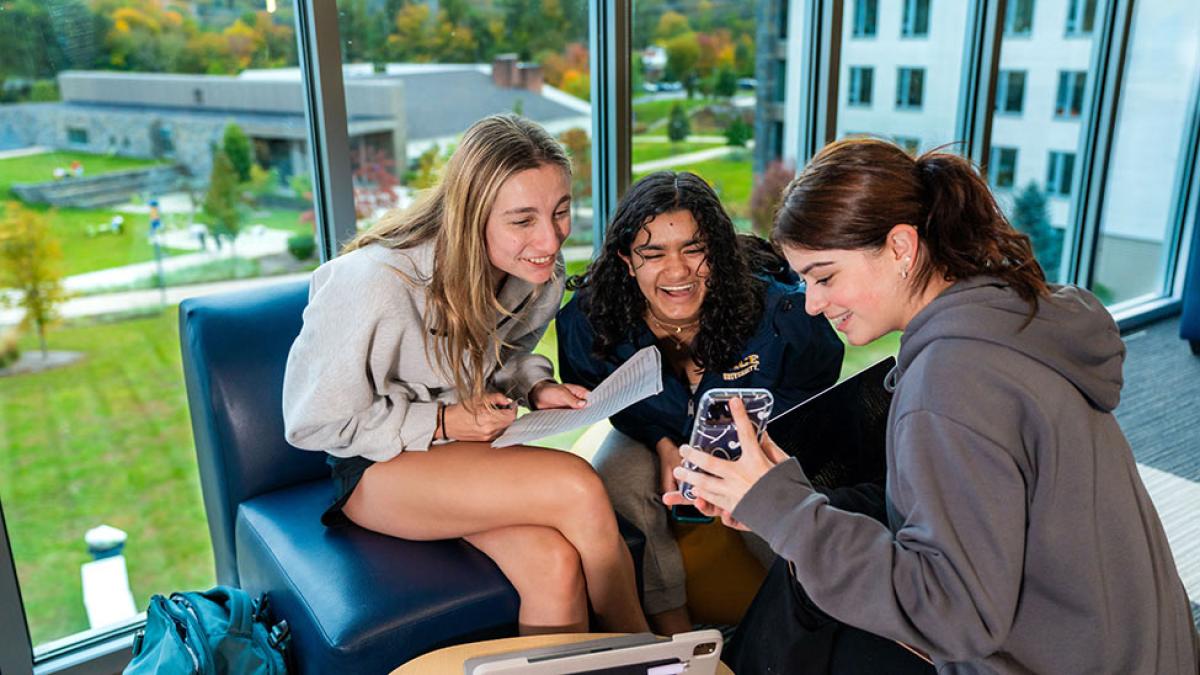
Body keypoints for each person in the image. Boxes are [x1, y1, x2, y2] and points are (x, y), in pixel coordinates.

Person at [667, 138, 1200, 673]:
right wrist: (777, 497)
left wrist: (785, 511)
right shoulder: (1009, 317)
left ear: (901, 247)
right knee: (810, 575)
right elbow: (966, 506)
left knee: (808, 599)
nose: (811, 303)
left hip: (1055, 656)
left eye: (824, 277)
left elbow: (954, 617)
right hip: (1140, 647)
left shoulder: (951, 383)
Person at [282, 114, 649, 636]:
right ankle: (652, 657)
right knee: (578, 486)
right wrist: (444, 421)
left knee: (554, 566)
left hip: (460, 454)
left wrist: (534, 386)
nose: (549, 240)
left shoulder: (535, 272)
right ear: (470, 215)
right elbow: (311, 423)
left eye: (561, 211)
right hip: (375, 465)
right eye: (522, 221)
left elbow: (499, 358)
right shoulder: (372, 283)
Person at [556, 171, 849, 635]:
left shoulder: (781, 312)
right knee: (618, 481)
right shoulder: (591, 320)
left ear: (718, 249)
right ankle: (674, 637)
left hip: (761, 436)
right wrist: (661, 440)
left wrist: (745, 447)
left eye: (694, 249)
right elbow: (602, 397)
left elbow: (815, 382)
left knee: (771, 495)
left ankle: (804, 630)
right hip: (652, 430)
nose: (677, 272)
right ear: (627, 260)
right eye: (653, 253)